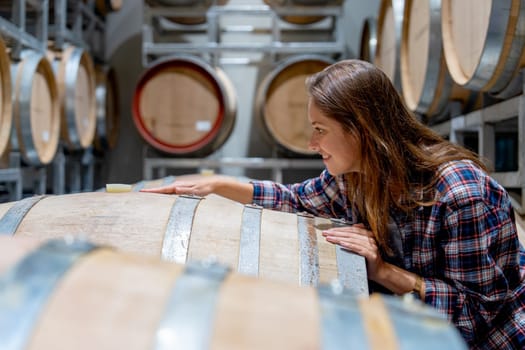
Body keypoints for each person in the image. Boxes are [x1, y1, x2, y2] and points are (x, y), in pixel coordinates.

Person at [141, 59, 525, 349]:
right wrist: (217, 186)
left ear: (362, 130)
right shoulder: (356, 176)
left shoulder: (460, 194)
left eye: (320, 130)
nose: (311, 144)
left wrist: (383, 272)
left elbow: (478, 317)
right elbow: (295, 200)